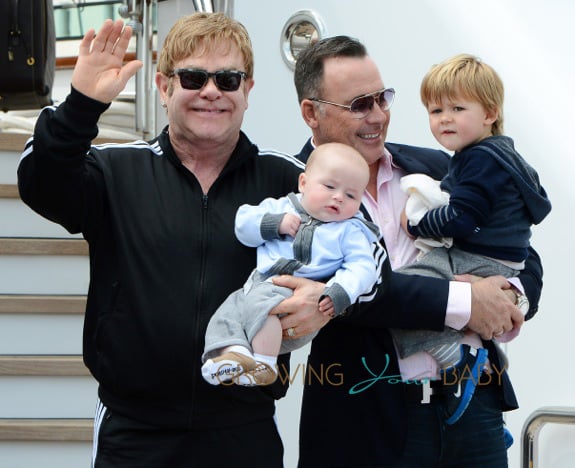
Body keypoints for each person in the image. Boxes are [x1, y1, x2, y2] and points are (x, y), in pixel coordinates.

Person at [16, 13, 325, 468]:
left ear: (248, 90)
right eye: (194, 77)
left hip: (244, 431)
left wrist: (323, 299)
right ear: (164, 88)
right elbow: (41, 183)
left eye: (228, 78)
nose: (211, 91)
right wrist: (81, 104)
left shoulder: (286, 179)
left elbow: (363, 249)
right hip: (135, 434)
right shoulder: (115, 170)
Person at [287, 35, 544, 467]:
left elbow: (519, 245)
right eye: (359, 104)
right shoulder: (291, 192)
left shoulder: (444, 164)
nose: (378, 116)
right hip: (370, 424)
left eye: (382, 98)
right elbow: (352, 293)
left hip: (476, 407)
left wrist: (511, 296)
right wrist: (466, 301)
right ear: (312, 113)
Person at [390, 53, 551, 425]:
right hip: (495, 258)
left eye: (457, 108)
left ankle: (449, 355)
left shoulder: (478, 160)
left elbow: (462, 218)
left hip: (478, 259)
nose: (444, 118)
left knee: (413, 284)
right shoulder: (497, 155)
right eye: (435, 110)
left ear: (490, 113)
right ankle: (483, 352)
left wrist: (416, 224)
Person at [201, 142, 379, 387]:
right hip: (259, 287)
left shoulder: (350, 230)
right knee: (227, 314)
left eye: (351, 195)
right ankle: (233, 355)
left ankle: (263, 363)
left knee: (264, 310)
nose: (338, 197)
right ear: (303, 183)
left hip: (298, 297)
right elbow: (243, 224)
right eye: (329, 186)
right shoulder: (281, 207)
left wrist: (339, 291)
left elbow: (363, 267)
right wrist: (275, 224)